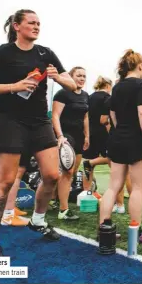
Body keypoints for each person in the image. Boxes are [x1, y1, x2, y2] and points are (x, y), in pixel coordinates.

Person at [0, 9, 76, 256]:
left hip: (40, 122)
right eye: (31, 22)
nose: (37, 26)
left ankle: (37, 220)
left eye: (39, 23)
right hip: (10, 120)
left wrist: (58, 78)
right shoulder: (1, 53)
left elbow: (71, 84)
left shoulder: (45, 53)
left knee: (51, 175)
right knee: (6, 181)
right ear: (17, 26)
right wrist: (13, 86)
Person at [98, 49, 142, 246]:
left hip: (117, 138)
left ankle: (104, 229)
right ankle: (136, 231)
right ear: (139, 65)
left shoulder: (118, 86)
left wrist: (119, 128)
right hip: (135, 140)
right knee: (138, 188)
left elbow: (113, 114)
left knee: (113, 186)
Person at [51, 66, 90, 220]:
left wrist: (87, 136)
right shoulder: (63, 93)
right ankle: (63, 210)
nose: (81, 79)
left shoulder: (86, 95)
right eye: (79, 75)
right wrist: (60, 136)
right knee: (66, 172)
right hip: (66, 136)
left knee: (71, 172)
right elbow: (55, 116)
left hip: (79, 136)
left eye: (84, 76)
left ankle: (54, 199)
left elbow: (86, 117)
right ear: (71, 77)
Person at [82, 76, 113, 198]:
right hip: (102, 132)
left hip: (89, 132)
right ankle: (116, 194)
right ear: (108, 86)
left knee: (89, 166)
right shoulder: (107, 98)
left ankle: (86, 193)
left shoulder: (90, 96)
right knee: (113, 160)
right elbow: (104, 120)